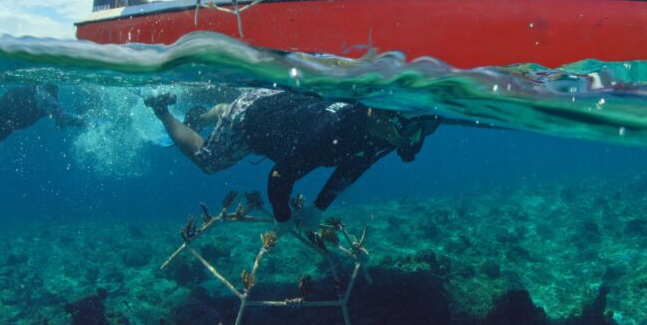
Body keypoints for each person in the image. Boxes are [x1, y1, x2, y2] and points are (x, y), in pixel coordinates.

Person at [145, 89, 438, 235]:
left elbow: (356, 165)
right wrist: (282, 217)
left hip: (278, 102)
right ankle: (163, 111)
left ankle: (209, 114)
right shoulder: (329, 132)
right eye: (401, 125)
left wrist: (318, 208)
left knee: (237, 109)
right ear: (374, 112)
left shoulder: (382, 131)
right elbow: (279, 176)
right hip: (251, 121)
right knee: (208, 161)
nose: (405, 136)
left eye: (417, 128)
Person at [0, 84, 83, 144]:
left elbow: (59, 116)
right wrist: (79, 120)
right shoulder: (46, 97)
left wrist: (66, 121)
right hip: (13, 111)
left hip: (12, 106)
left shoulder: (45, 97)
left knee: (0, 108)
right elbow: (61, 115)